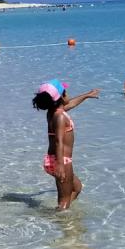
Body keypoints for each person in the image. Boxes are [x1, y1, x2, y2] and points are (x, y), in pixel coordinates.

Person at [32, 79, 100, 210]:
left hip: (56, 159)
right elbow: (59, 141)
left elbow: (71, 103)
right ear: (61, 97)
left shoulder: (54, 112)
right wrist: (61, 166)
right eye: (66, 92)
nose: (68, 95)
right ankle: (60, 216)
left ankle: (63, 216)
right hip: (61, 161)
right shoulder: (60, 117)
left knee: (77, 187)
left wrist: (86, 95)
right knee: (64, 200)